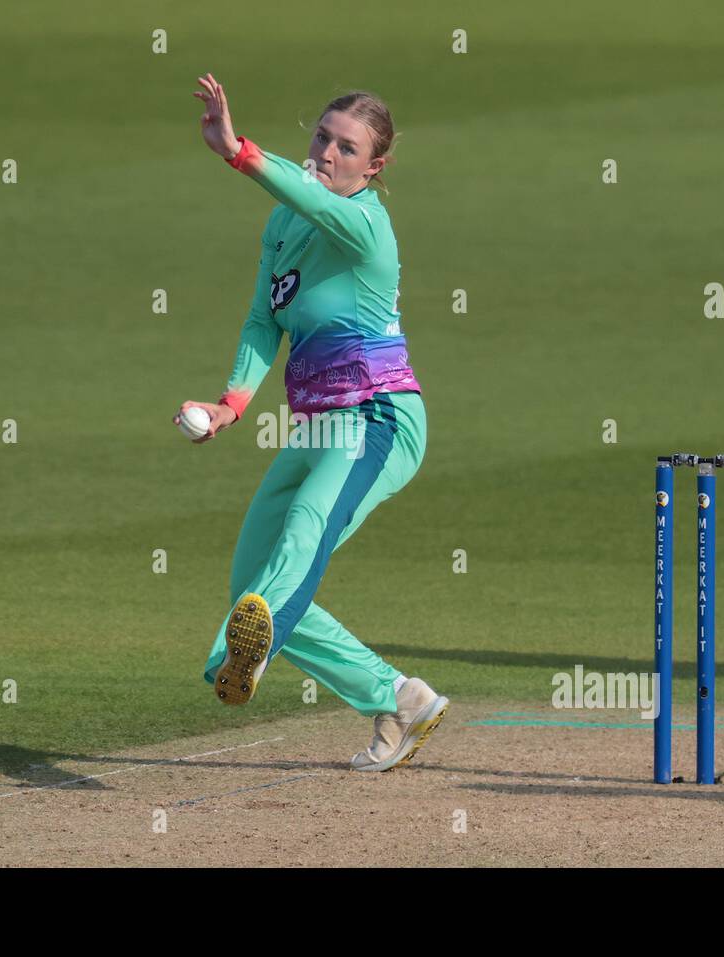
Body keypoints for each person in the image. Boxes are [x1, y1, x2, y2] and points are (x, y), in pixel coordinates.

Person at [175, 73, 448, 772]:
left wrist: (237, 152)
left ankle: (236, 659)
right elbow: (265, 318)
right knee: (253, 585)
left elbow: (299, 191)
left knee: (298, 541)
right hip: (321, 426)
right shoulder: (285, 224)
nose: (327, 153)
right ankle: (398, 698)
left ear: (374, 167)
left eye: (346, 147)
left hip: (379, 419)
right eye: (321, 137)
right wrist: (232, 401)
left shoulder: (364, 225)